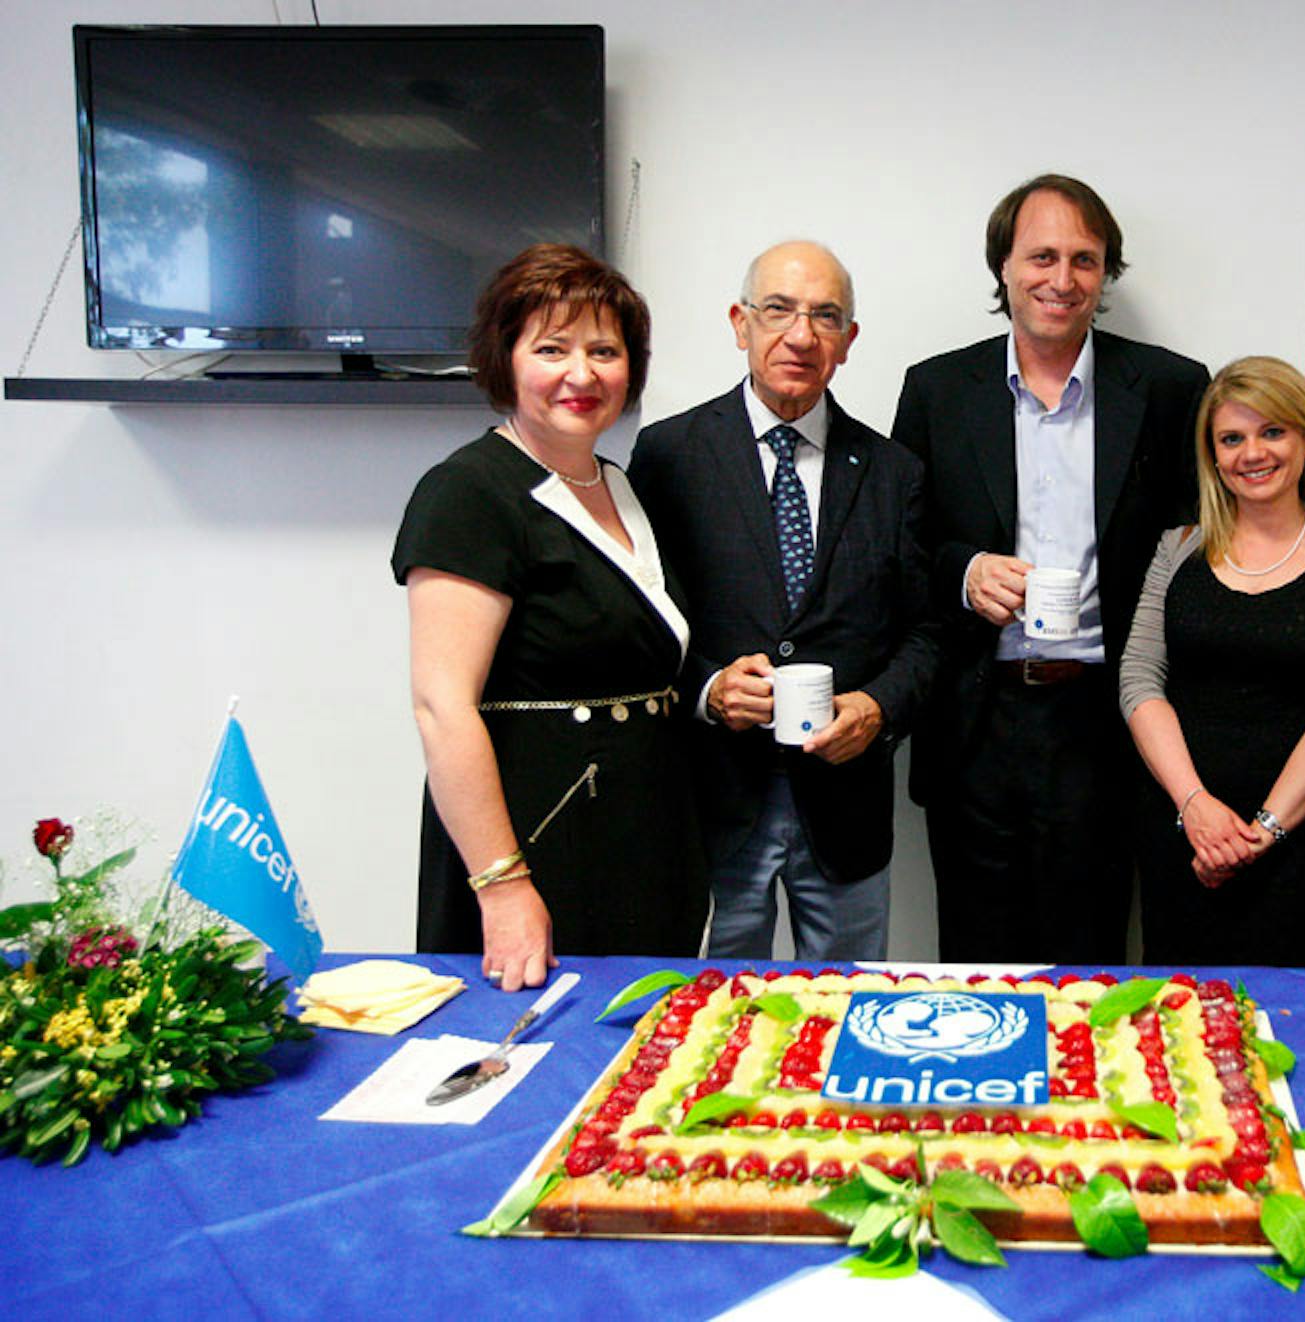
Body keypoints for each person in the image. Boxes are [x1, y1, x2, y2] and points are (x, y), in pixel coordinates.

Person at [891, 173, 1209, 963]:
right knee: (973, 954)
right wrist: (965, 573)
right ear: (1003, 266)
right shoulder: (936, 389)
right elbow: (899, 550)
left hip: (1108, 721)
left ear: (1106, 275)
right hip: (976, 716)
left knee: (1092, 956)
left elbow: (1198, 550)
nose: (1061, 280)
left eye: (1085, 259)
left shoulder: (1170, 388)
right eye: (1041, 256)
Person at [392, 244, 705, 990]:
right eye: (553, 349)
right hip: (539, 844)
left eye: (605, 350)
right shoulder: (469, 491)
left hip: (644, 845)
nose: (582, 373)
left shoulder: (620, 484)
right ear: (506, 359)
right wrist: (501, 887)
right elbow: (442, 709)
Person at [627, 241, 937, 961]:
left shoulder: (895, 473)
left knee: (850, 1009)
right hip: (713, 800)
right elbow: (641, 627)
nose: (801, 335)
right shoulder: (668, 456)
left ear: (848, 342)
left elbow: (927, 633)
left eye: (826, 316)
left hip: (846, 806)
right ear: (740, 323)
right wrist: (707, 689)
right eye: (778, 310)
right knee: (711, 1014)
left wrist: (879, 707)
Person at [1120, 356, 1305, 965]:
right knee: (1174, 1017)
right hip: (1180, 827)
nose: (1253, 453)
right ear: (1213, 456)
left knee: (1285, 1022)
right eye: (1231, 438)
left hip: (1300, 842)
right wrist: (1195, 807)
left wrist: (1262, 832)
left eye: (1273, 431)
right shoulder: (1177, 549)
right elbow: (1140, 681)